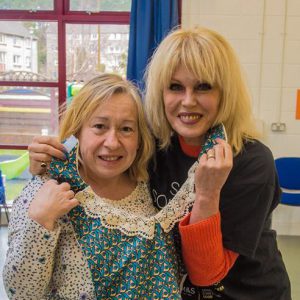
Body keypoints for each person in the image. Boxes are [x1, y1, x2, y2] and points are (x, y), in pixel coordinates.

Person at [25, 27, 291, 300]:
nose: (188, 101)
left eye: (203, 86)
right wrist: (47, 164)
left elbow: (206, 274)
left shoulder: (252, 161)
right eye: (175, 87)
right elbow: (98, 155)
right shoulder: (153, 145)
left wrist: (208, 194)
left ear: (225, 93)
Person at [3, 74, 185, 299]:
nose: (112, 142)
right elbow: (21, 293)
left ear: (140, 139)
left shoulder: (152, 186)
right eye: (99, 126)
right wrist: (40, 221)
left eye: (126, 129)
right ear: (77, 130)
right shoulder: (47, 190)